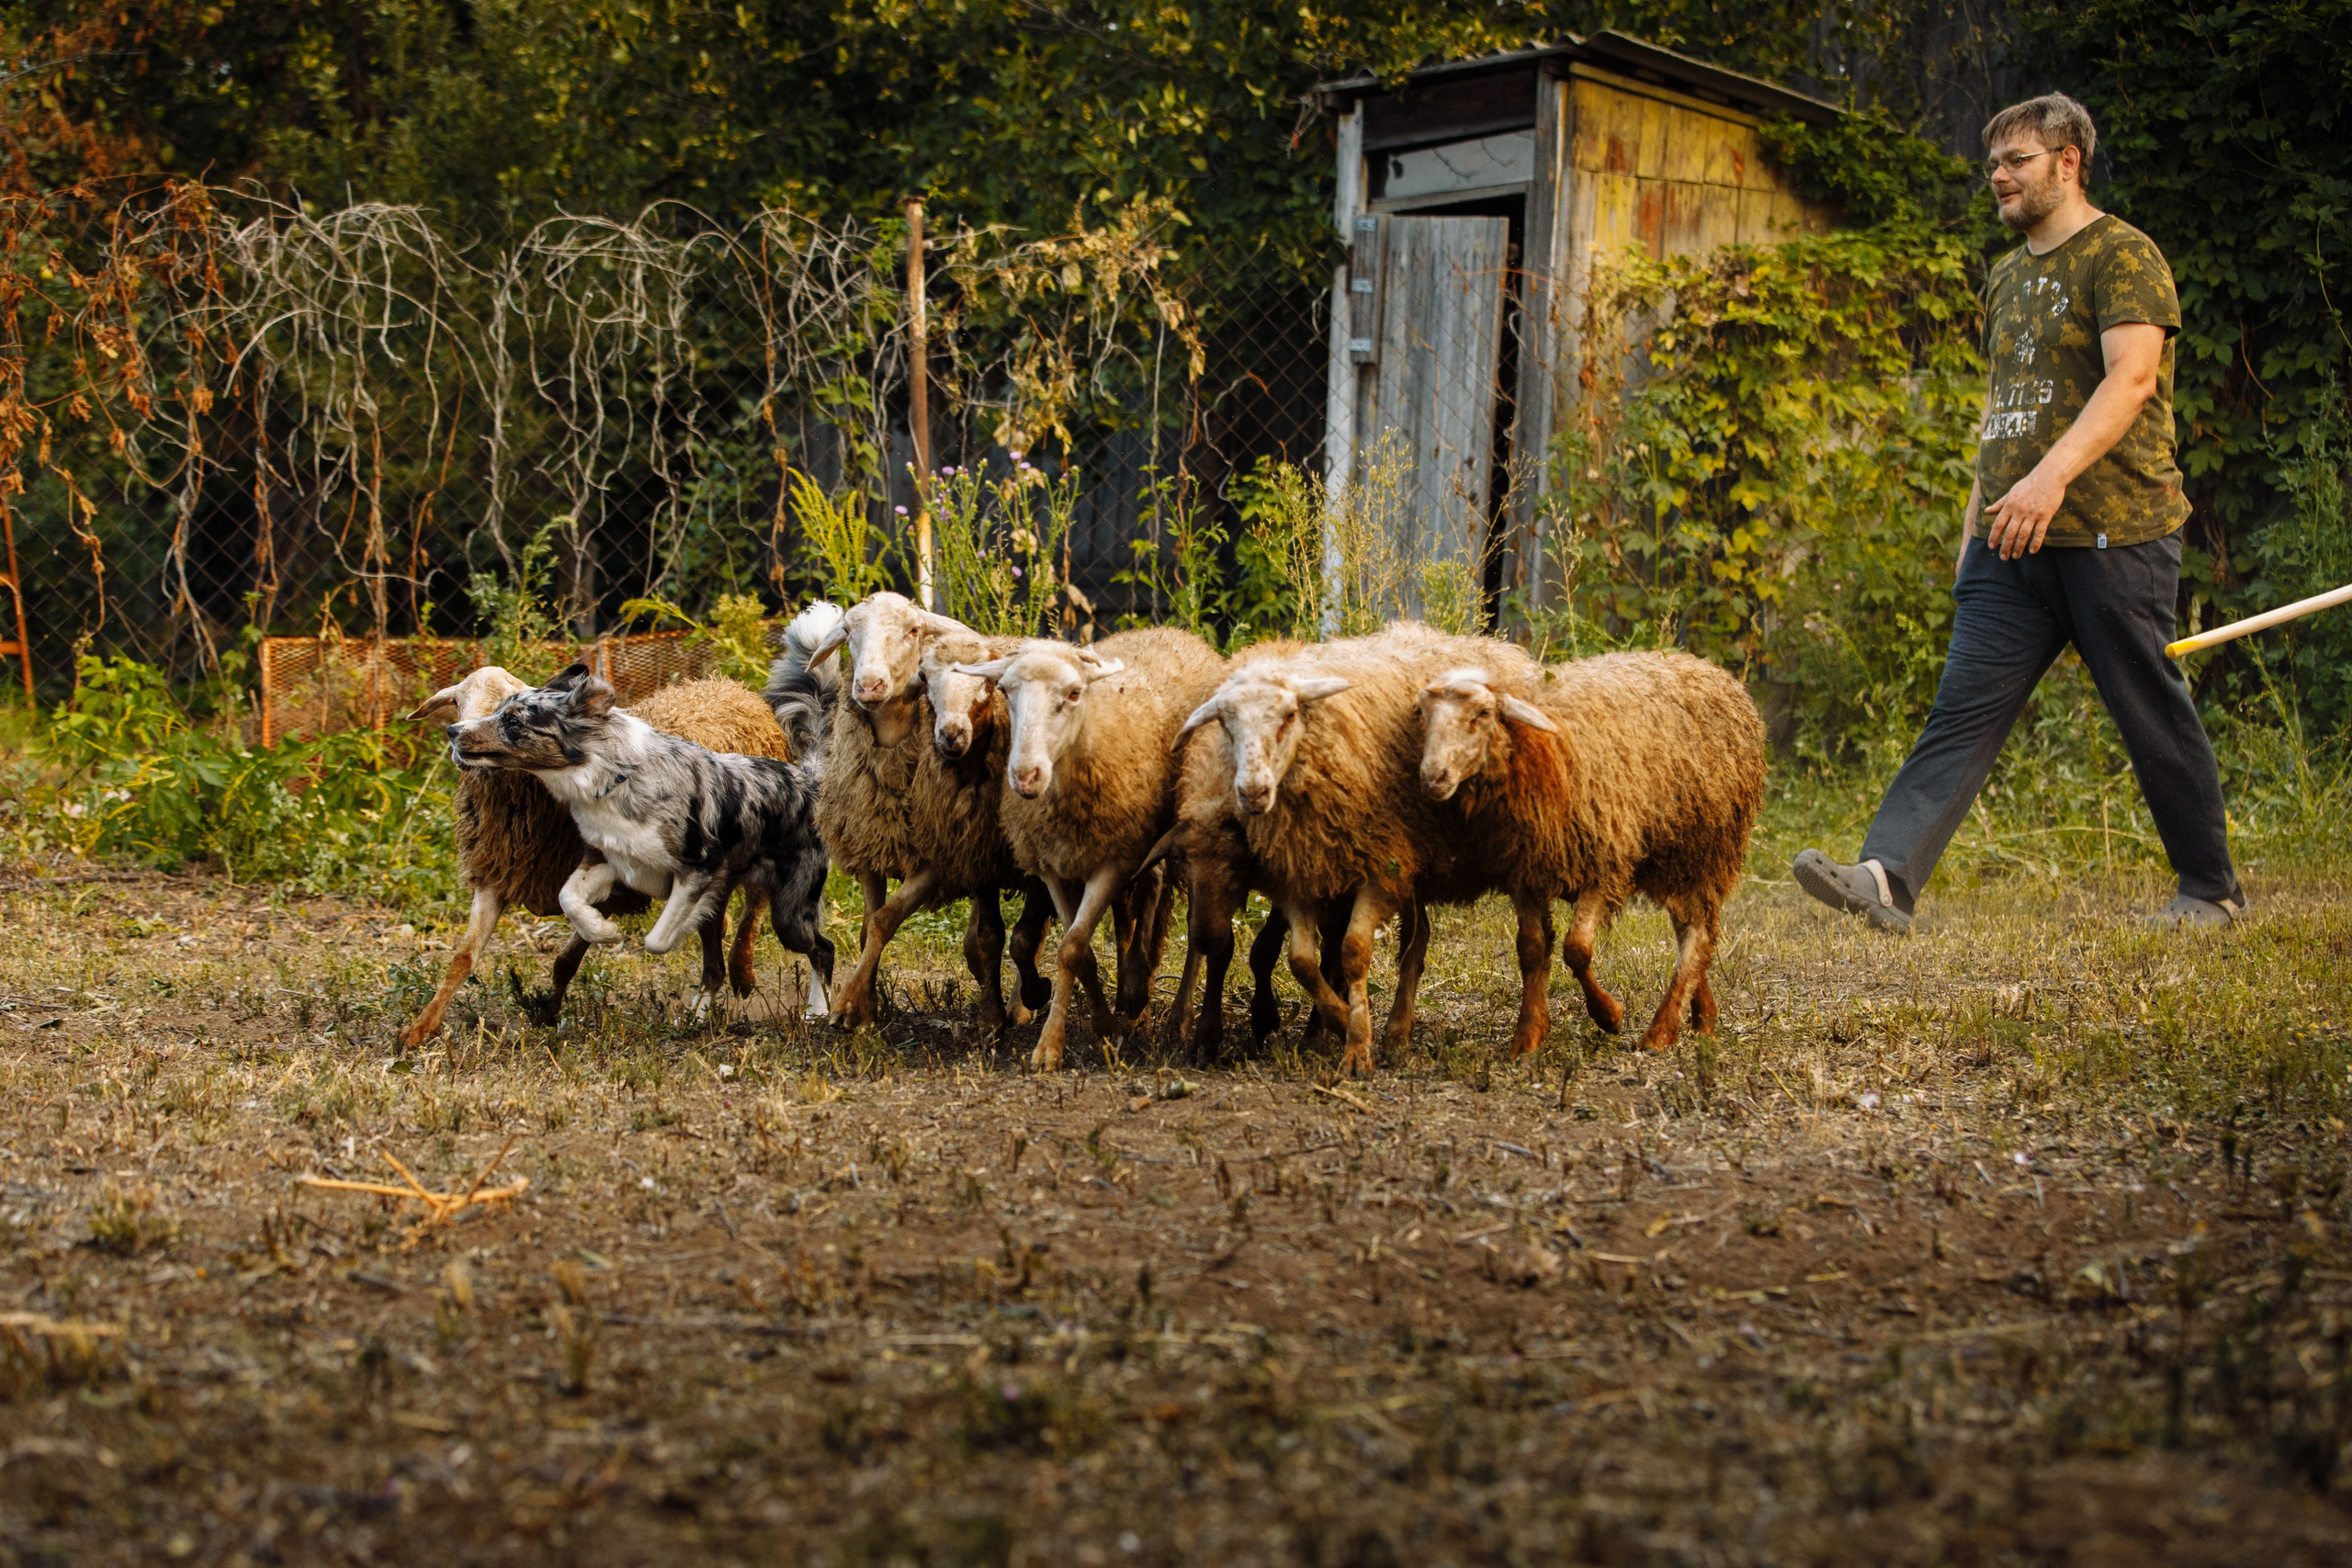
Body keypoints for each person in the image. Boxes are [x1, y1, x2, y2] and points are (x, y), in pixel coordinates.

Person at [1794, 92, 2244, 934]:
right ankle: (1887, 877)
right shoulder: (2006, 275)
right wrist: (1975, 526)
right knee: (1960, 709)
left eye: (2017, 161)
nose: (1998, 176)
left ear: (2068, 161)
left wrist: (2050, 481)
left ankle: (2209, 889)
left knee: (2148, 707)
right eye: (1993, 163)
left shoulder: (2122, 254)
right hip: (2010, 540)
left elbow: (2131, 379)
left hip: (2116, 530)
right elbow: (2002, 409)